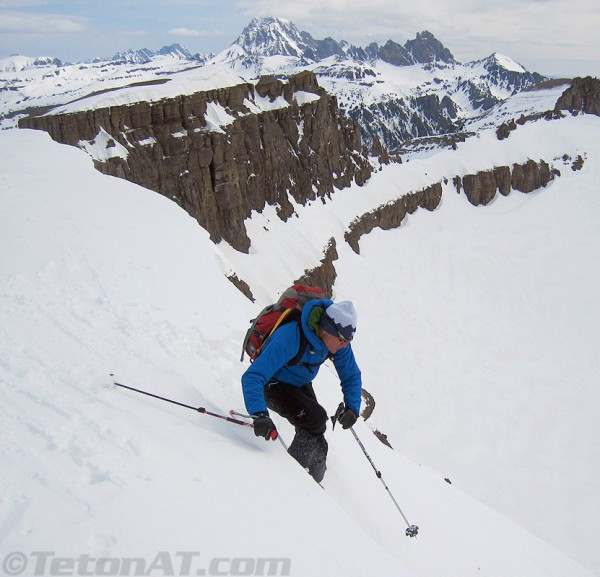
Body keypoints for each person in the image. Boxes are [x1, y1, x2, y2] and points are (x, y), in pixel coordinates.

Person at [241, 298, 362, 482]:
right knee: (316, 419)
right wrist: (259, 414)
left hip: (297, 381)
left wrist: (353, 407)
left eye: (349, 340)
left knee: (318, 433)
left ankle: (314, 482)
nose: (345, 345)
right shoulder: (290, 337)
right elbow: (253, 376)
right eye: (343, 339)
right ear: (327, 330)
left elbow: (351, 375)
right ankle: (291, 479)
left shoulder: (337, 342)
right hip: (271, 384)